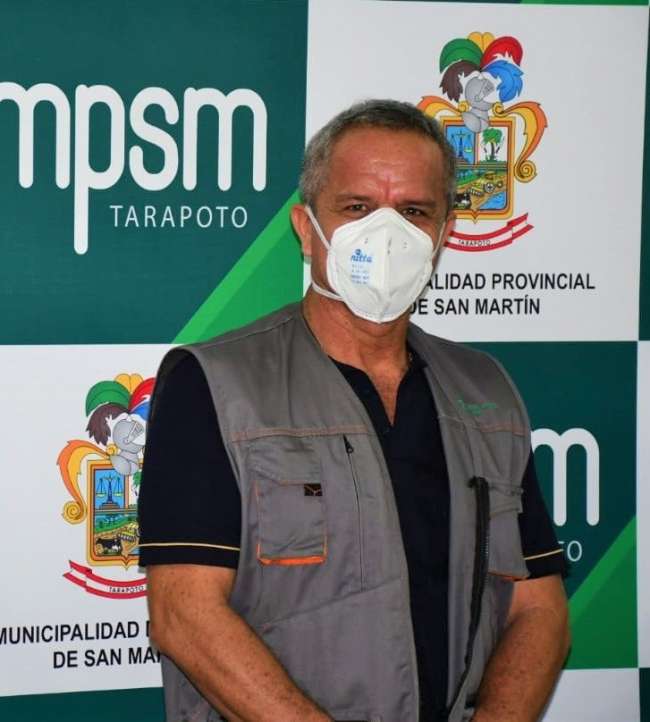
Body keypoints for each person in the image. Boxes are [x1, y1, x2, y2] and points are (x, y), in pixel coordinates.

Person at [138, 99, 570, 722]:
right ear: (305, 227)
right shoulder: (213, 383)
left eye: (414, 211)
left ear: (444, 233)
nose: (387, 235)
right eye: (358, 207)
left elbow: (539, 607)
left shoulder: (486, 391)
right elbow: (185, 615)